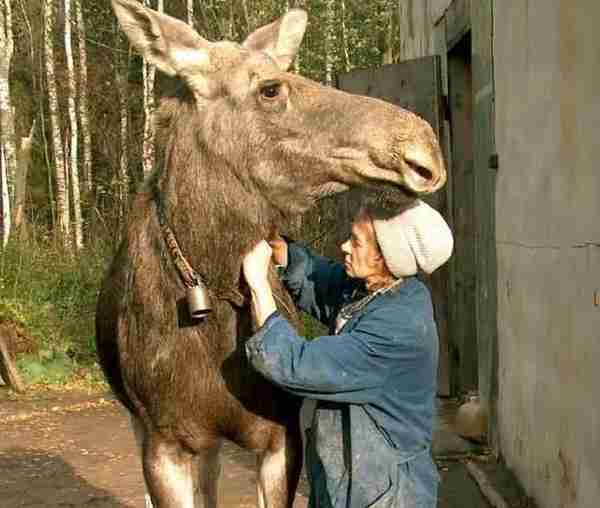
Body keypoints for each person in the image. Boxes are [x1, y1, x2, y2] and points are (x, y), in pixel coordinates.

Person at [242, 199, 454, 508]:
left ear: (385, 257)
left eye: (355, 241)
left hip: (383, 496)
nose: (343, 245)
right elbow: (328, 283)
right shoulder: (383, 291)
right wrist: (284, 255)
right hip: (351, 480)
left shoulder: (397, 329)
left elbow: (296, 365)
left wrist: (259, 285)